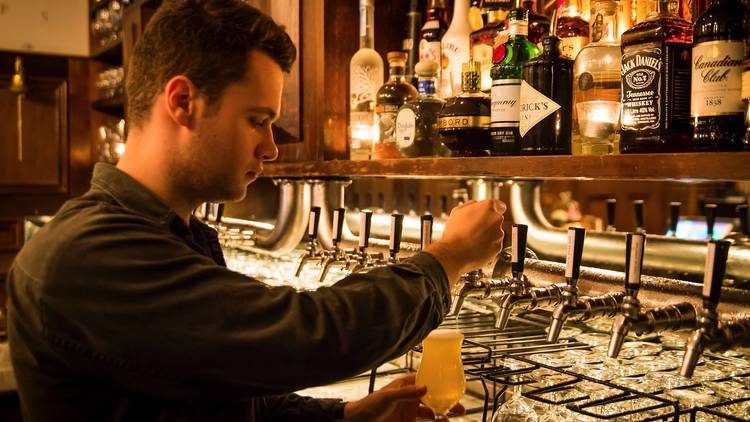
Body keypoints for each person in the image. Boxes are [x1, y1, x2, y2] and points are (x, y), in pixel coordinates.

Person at [6, 0, 506, 421]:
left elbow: (221, 390)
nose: (270, 148)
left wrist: (348, 415)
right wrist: (448, 257)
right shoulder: (89, 253)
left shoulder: (172, 233)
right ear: (183, 102)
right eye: (257, 120)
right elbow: (305, 335)